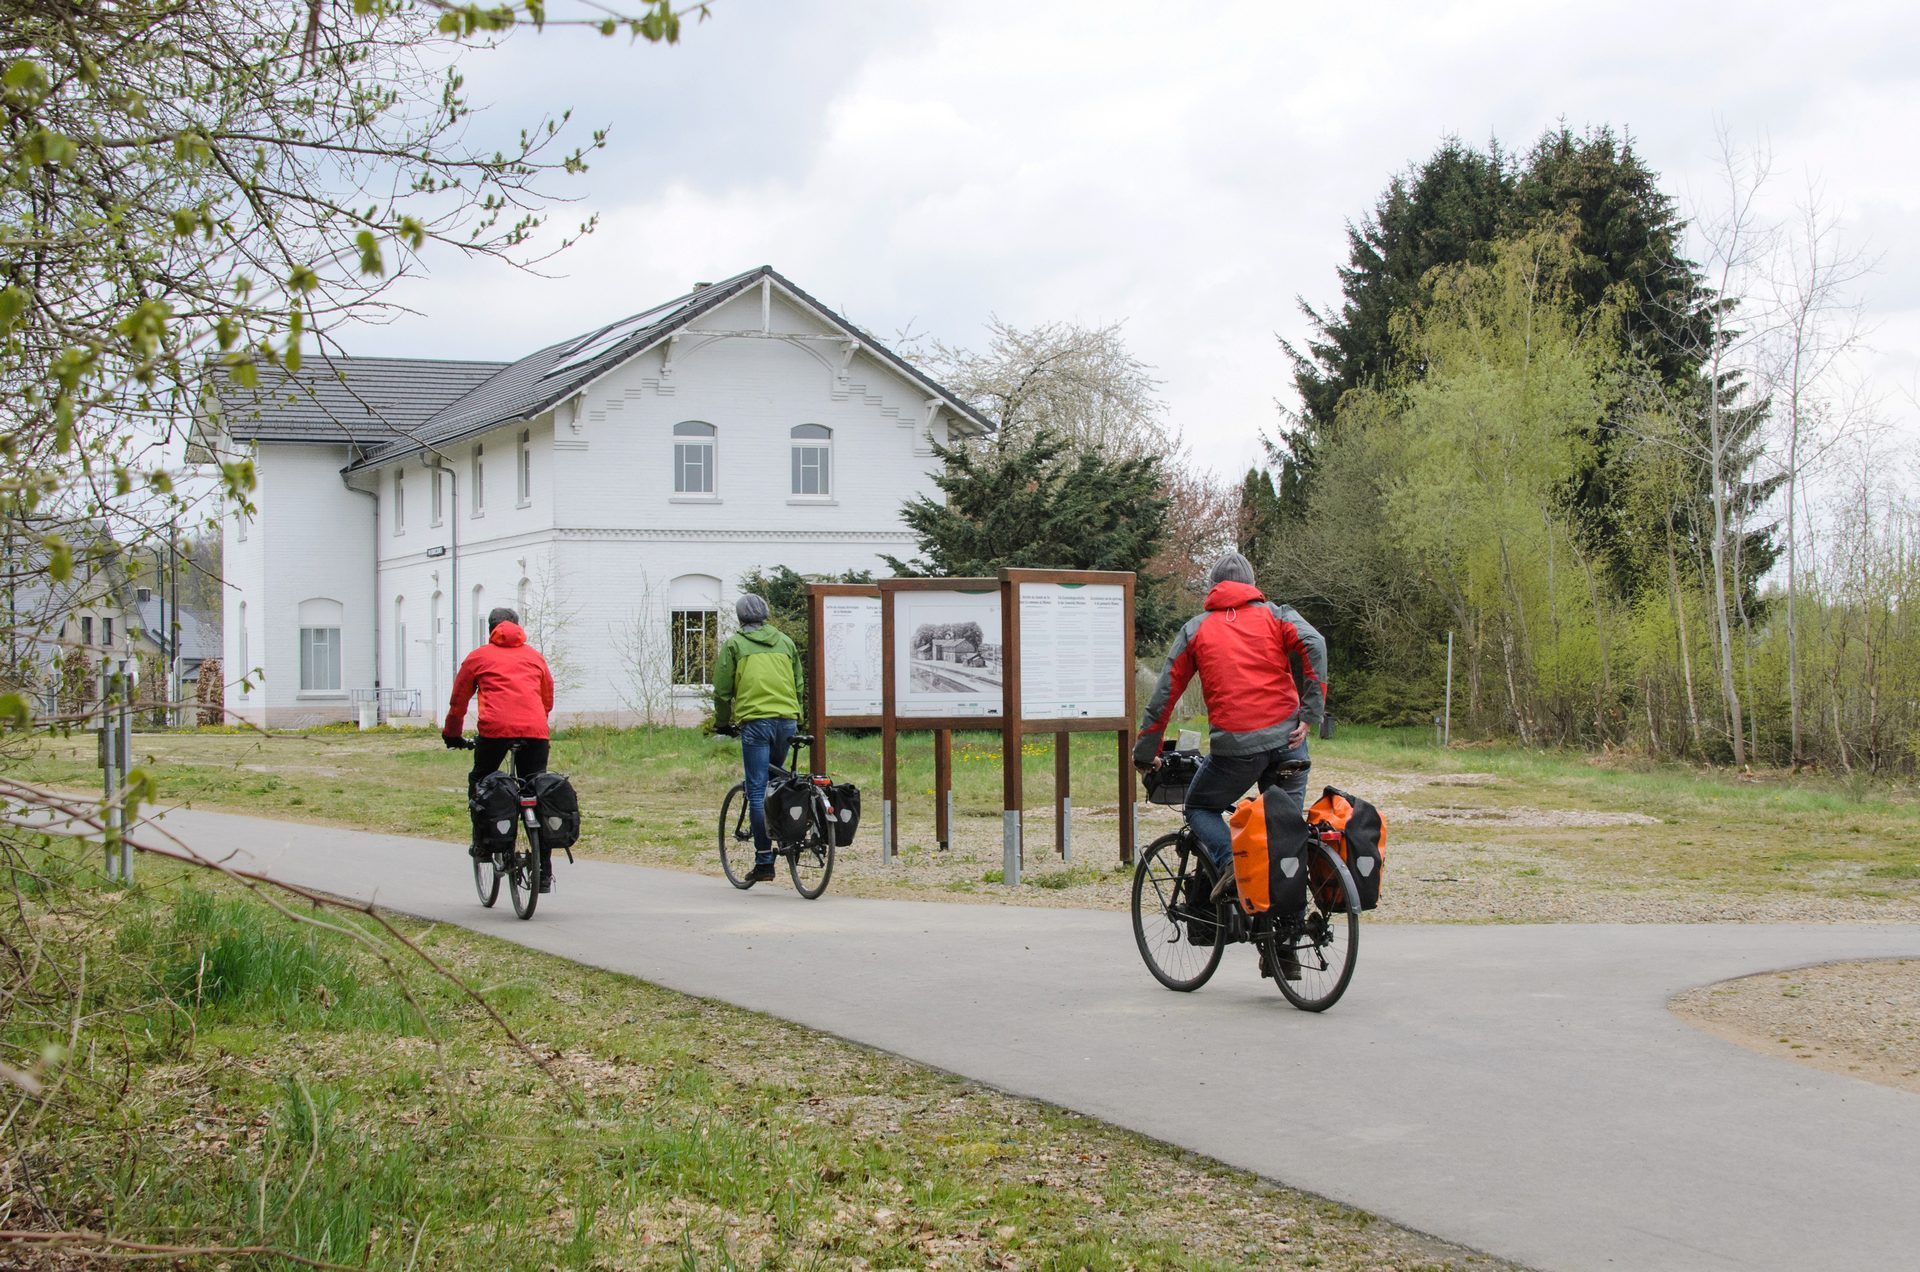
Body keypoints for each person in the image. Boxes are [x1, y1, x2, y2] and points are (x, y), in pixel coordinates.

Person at [1134, 552, 1327, 969]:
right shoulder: (1277, 616)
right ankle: (1288, 952)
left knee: (1200, 806)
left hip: (1236, 751)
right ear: (1252, 584)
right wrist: (1311, 714)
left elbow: (1164, 694)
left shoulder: (1197, 629)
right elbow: (1315, 643)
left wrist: (1146, 752)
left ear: (1213, 588)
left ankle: (1231, 868)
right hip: (1289, 742)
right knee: (1285, 834)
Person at [443, 606, 558, 890]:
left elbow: (458, 701)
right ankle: (543, 870)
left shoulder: (479, 657)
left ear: (491, 629)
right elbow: (547, 699)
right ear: (518, 626)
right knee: (536, 790)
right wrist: (534, 725)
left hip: (495, 732)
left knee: (481, 780)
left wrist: (452, 735)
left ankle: (482, 843)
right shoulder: (534, 656)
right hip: (535, 733)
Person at [711, 594, 803, 885]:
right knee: (777, 784)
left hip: (756, 722)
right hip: (787, 720)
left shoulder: (735, 644)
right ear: (766, 614)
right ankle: (790, 837)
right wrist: (794, 714)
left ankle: (764, 860)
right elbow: (798, 683)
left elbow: (722, 690)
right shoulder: (785, 642)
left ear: (740, 618)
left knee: (757, 789)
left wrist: (722, 723)